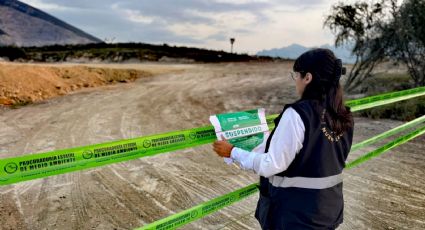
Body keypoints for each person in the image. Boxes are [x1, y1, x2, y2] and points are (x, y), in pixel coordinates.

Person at [213, 48, 354, 230]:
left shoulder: (297, 114)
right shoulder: (344, 115)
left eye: (296, 75)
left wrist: (233, 151)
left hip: (296, 216)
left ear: (308, 78)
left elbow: (271, 165)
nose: (295, 80)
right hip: (328, 211)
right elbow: (317, 154)